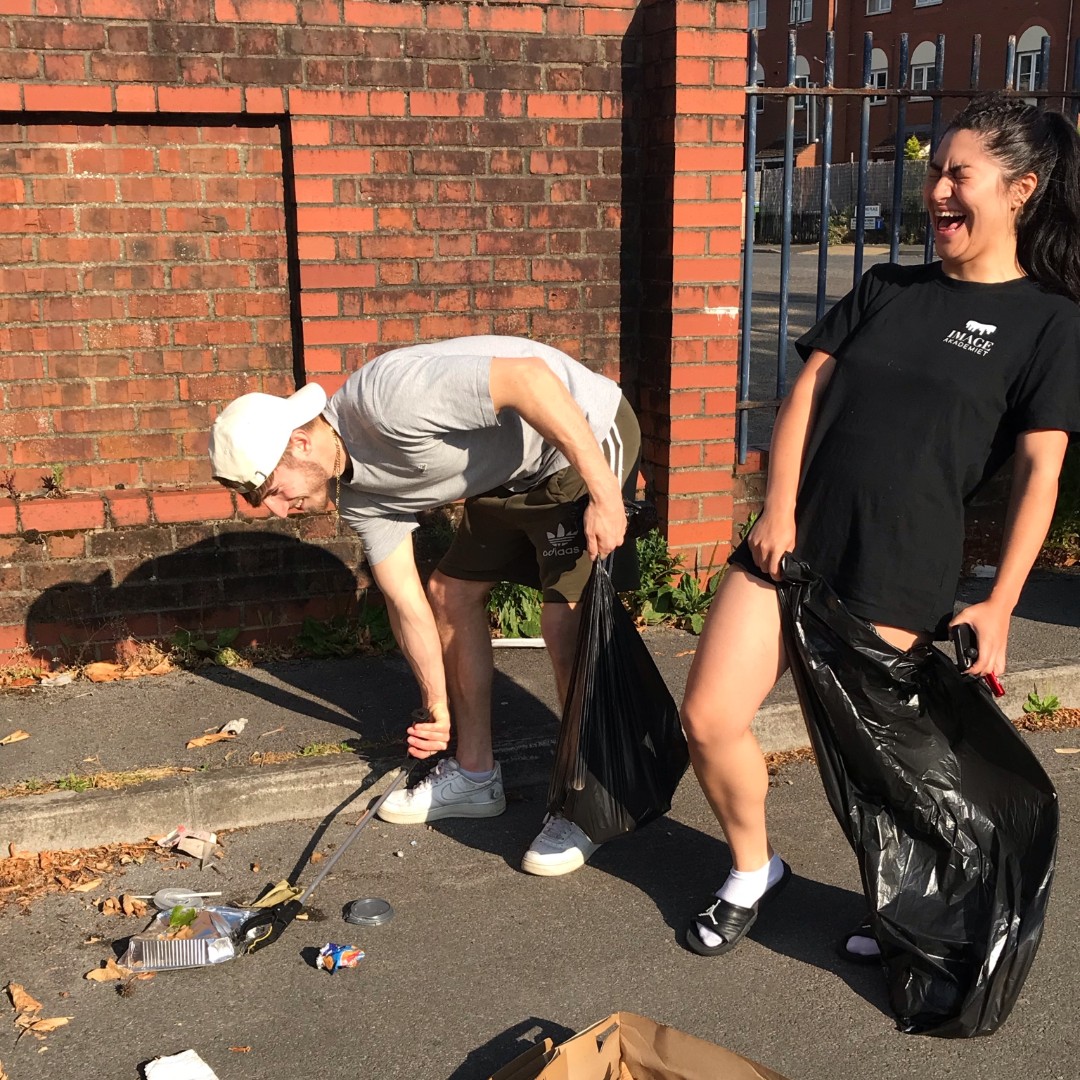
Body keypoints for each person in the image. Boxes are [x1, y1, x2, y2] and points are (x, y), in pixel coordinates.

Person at [680, 94, 1080, 959]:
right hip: (792, 546)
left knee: (873, 765)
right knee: (709, 716)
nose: (936, 189)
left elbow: (1041, 472)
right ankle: (753, 871)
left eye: (956, 173)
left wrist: (1003, 604)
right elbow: (805, 395)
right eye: (933, 170)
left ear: (1021, 189)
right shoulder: (886, 286)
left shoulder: (1048, 322)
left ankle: (908, 909)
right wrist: (777, 508)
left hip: (898, 569)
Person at [208, 336, 640, 876]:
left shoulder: (388, 402)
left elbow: (530, 379)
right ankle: (475, 775)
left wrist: (605, 495)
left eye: (270, 490)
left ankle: (587, 800)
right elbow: (405, 599)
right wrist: (437, 708)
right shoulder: (360, 497)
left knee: (564, 619)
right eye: (261, 502)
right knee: (448, 593)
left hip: (582, 437)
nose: (276, 509)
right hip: (512, 476)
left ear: (298, 443)